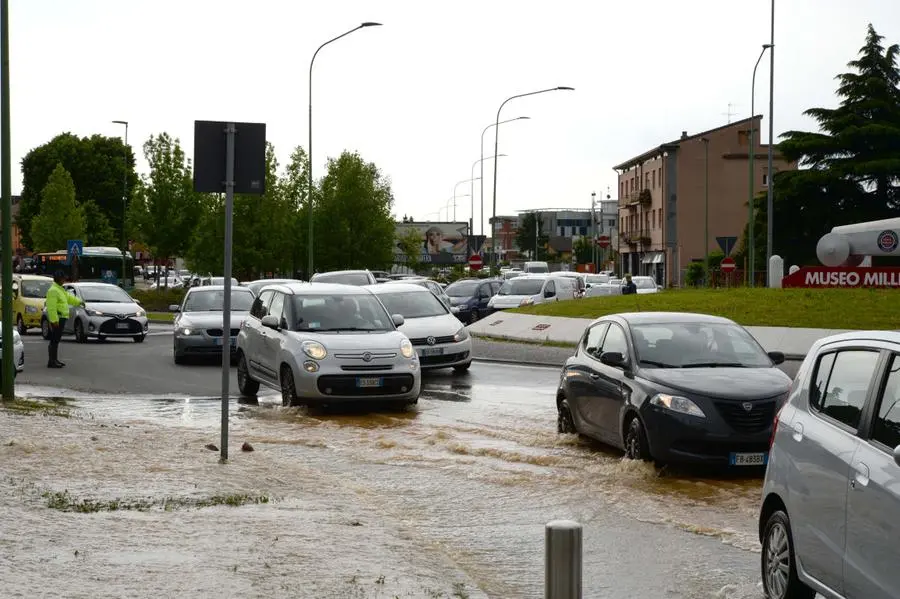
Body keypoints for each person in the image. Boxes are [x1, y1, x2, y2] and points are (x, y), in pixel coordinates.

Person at [45, 270, 83, 368]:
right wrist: (54, 320)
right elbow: (51, 307)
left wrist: (79, 302)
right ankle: (52, 361)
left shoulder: (60, 289)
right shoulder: (53, 290)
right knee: (54, 340)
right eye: (63, 279)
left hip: (61, 317)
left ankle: (54, 360)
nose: (64, 280)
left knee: (56, 340)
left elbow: (69, 298)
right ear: (58, 279)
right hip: (58, 318)